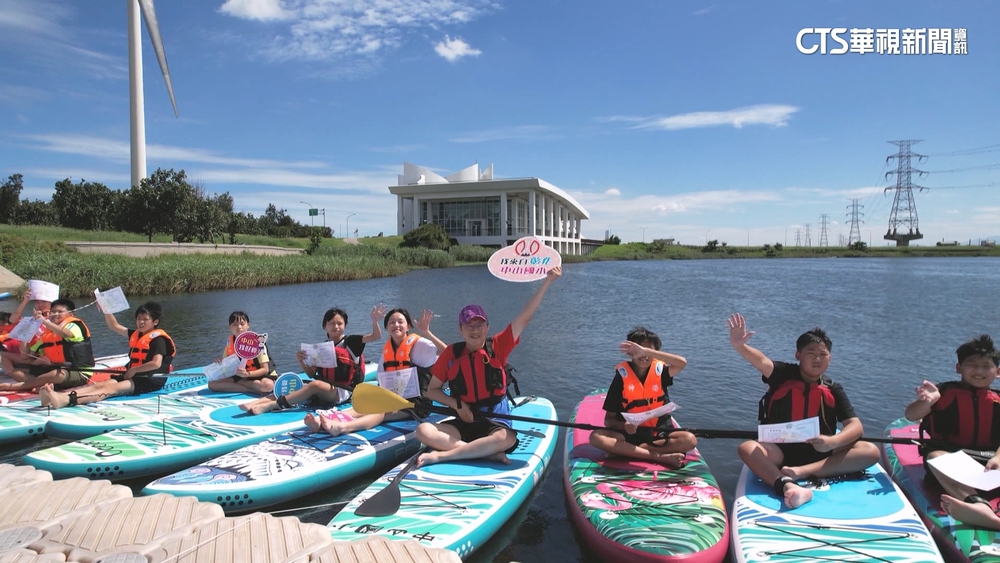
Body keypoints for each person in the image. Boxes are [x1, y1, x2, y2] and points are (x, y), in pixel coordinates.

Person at [727, 312, 879, 509]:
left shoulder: (833, 388)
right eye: (811, 353)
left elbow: (855, 426)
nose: (817, 359)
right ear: (798, 355)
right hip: (780, 452)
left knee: (870, 451)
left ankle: (800, 472)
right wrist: (741, 346)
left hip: (820, 451)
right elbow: (762, 361)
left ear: (830, 358)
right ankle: (786, 485)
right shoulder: (782, 374)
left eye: (823, 354)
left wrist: (832, 441)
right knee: (747, 448)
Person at [415, 266, 562, 468]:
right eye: (469, 326)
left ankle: (445, 455)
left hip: (495, 421)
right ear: (460, 329)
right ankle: (484, 453)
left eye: (479, 325)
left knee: (506, 438)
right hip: (464, 420)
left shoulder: (498, 346)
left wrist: (547, 282)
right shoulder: (451, 353)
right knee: (423, 431)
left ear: (487, 327)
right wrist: (457, 405)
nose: (475, 331)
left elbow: (524, 318)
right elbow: (432, 391)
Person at [904, 334, 1000, 529]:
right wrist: (927, 402)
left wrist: (998, 457)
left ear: (997, 371)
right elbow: (911, 415)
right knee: (935, 456)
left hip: (991, 464)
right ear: (959, 368)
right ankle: (978, 507)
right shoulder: (942, 393)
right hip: (952, 461)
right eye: (972, 364)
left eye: (986, 366)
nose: (979, 371)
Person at [304, 308, 446, 436]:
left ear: (408, 326)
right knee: (364, 407)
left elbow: (447, 353)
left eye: (400, 322)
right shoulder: (387, 352)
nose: (396, 325)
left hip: (416, 404)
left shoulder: (420, 345)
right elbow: (382, 382)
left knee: (381, 412)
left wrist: (427, 332)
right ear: (386, 328)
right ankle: (323, 420)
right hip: (394, 398)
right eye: (391, 322)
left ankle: (342, 427)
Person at [240, 303, 387, 415]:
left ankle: (273, 405)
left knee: (315, 385)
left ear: (345, 325)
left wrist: (375, 322)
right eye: (332, 323)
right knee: (300, 386)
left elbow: (376, 337)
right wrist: (301, 361)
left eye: (340, 323)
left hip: (344, 391)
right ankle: (258, 402)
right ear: (325, 326)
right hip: (326, 387)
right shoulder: (322, 347)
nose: (336, 327)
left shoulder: (353, 342)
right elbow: (311, 373)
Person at [587, 327, 694, 468]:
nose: (642, 354)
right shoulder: (621, 378)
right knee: (595, 437)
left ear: (655, 352)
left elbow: (682, 363)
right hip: (628, 435)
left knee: (689, 440)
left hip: (657, 435)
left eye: (647, 349)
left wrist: (646, 351)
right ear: (629, 352)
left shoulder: (662, 373)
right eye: (638, 349)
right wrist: (624, 426)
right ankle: (660, 457)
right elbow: (609, 420)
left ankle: (628, 451)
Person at [38, 302, 175, 409]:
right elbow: (114, 325)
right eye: (138, 319)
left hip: (149, 380)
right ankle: (55, 397)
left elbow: (156, 363)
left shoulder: (158, 340)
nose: (141, 322)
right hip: (134, 375)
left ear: (155, 322)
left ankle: (66, 400)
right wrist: (106, 310)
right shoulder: (136, 334)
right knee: (99, 385)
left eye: (145, 319)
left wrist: (133, 370)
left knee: (110, 389)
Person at [0, 298, 96, 392]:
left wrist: (44, 321)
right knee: (18, 372)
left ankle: (17, 386)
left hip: (79, 372)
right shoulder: (47, 334)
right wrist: (26, 332)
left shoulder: (74, 325)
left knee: (55, 374)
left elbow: (66, 334)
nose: (55, 314)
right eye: (53, 312)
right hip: (56, 369)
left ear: (70, 314)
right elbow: (25, 356)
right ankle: (42, 384)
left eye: (59, 312)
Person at [208, 311, 277, 394]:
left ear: (248, 325)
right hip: (241, 377)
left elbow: (265, 370)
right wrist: (220, 361)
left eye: (242, 324)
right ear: (230, 327)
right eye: (235, 324)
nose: (239, 327)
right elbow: (226, 368)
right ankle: (249, 389)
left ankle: (243, 385)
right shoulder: (230, 343)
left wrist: (248, 374)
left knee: (268, 385)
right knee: (211, 384)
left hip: (260, 376)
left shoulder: (258, 342)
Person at [0, 290, 52, 374]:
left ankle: (22, 375)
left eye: (43, 302)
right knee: (1, 355)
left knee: (43, 360)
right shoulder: (31, 320)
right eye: (37, 302)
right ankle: (13, 373)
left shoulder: (55, 320)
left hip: (49, 358)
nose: (40, 304)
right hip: (33, 357)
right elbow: (12, 319)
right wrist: (25, 301)